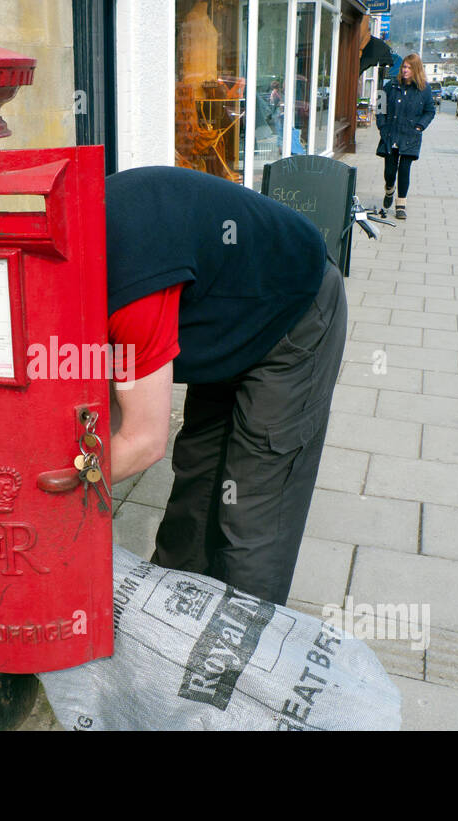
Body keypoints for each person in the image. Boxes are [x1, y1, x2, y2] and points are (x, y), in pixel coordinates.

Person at [103, 165, 347, 606]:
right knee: (198, 481)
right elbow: (105, 411)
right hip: (227, 313)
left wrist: (53, 486)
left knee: (253, 509)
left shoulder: (131, 287)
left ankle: (239, 662)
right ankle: (167, 629)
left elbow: (141, 440)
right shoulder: (79, 267)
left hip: (294, 309)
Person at [375, 52, 435, 220]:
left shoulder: (424, 89)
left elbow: (430, 111)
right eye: (404, 67)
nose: (405, 70)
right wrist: (382, 127)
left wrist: (419, 127)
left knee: (404, 169)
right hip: (391, 133)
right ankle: (389, 189)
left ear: (416, 70)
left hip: (410, 136)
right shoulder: (390, 85)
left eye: (409, 67)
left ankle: (401, 203)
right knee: (390, 170)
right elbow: (380, 106)